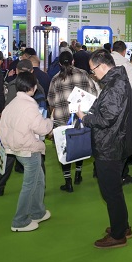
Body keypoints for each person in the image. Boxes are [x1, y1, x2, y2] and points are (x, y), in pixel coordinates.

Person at [77, 49, 132, 249]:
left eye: (93, 70)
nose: (93, 75)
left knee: (110, 192)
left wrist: (85, 118)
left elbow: (106, 119)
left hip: (109, 144)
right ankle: (122, 226)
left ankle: (118, 235)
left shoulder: (115, 85)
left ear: (102, 66)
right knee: (114, 190)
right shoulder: (117, 81)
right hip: (115, 141)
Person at [0, 72, 53, 232]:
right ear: (33, 87)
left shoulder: (12, 104)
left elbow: (1, 127)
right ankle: (19, 221)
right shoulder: (29, 106)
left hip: (15, 147)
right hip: (29, 149)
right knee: (29, 185)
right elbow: (42, 128)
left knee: (39, 180)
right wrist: (50, 121)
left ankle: (38, 212)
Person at [0, 59, 47, 196]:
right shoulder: (37, 87)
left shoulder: (13, 86)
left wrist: (2, 125)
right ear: (32, 71)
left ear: (16, 71)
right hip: (33, 129)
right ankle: (40, 186)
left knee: (9, 156)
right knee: (36, 156)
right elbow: (43, 108)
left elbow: (7, 107)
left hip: (15, 129)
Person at [47, 51, 98, 193]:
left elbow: (51, 101)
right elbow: (94, 93)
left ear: (59, 64)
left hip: (61, 120)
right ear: (73, 61)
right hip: (80, 118)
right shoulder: (83, 74)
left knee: (64, 150)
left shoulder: (55, 79)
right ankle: (78, 174)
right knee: (79, 144)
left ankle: (68, 181)